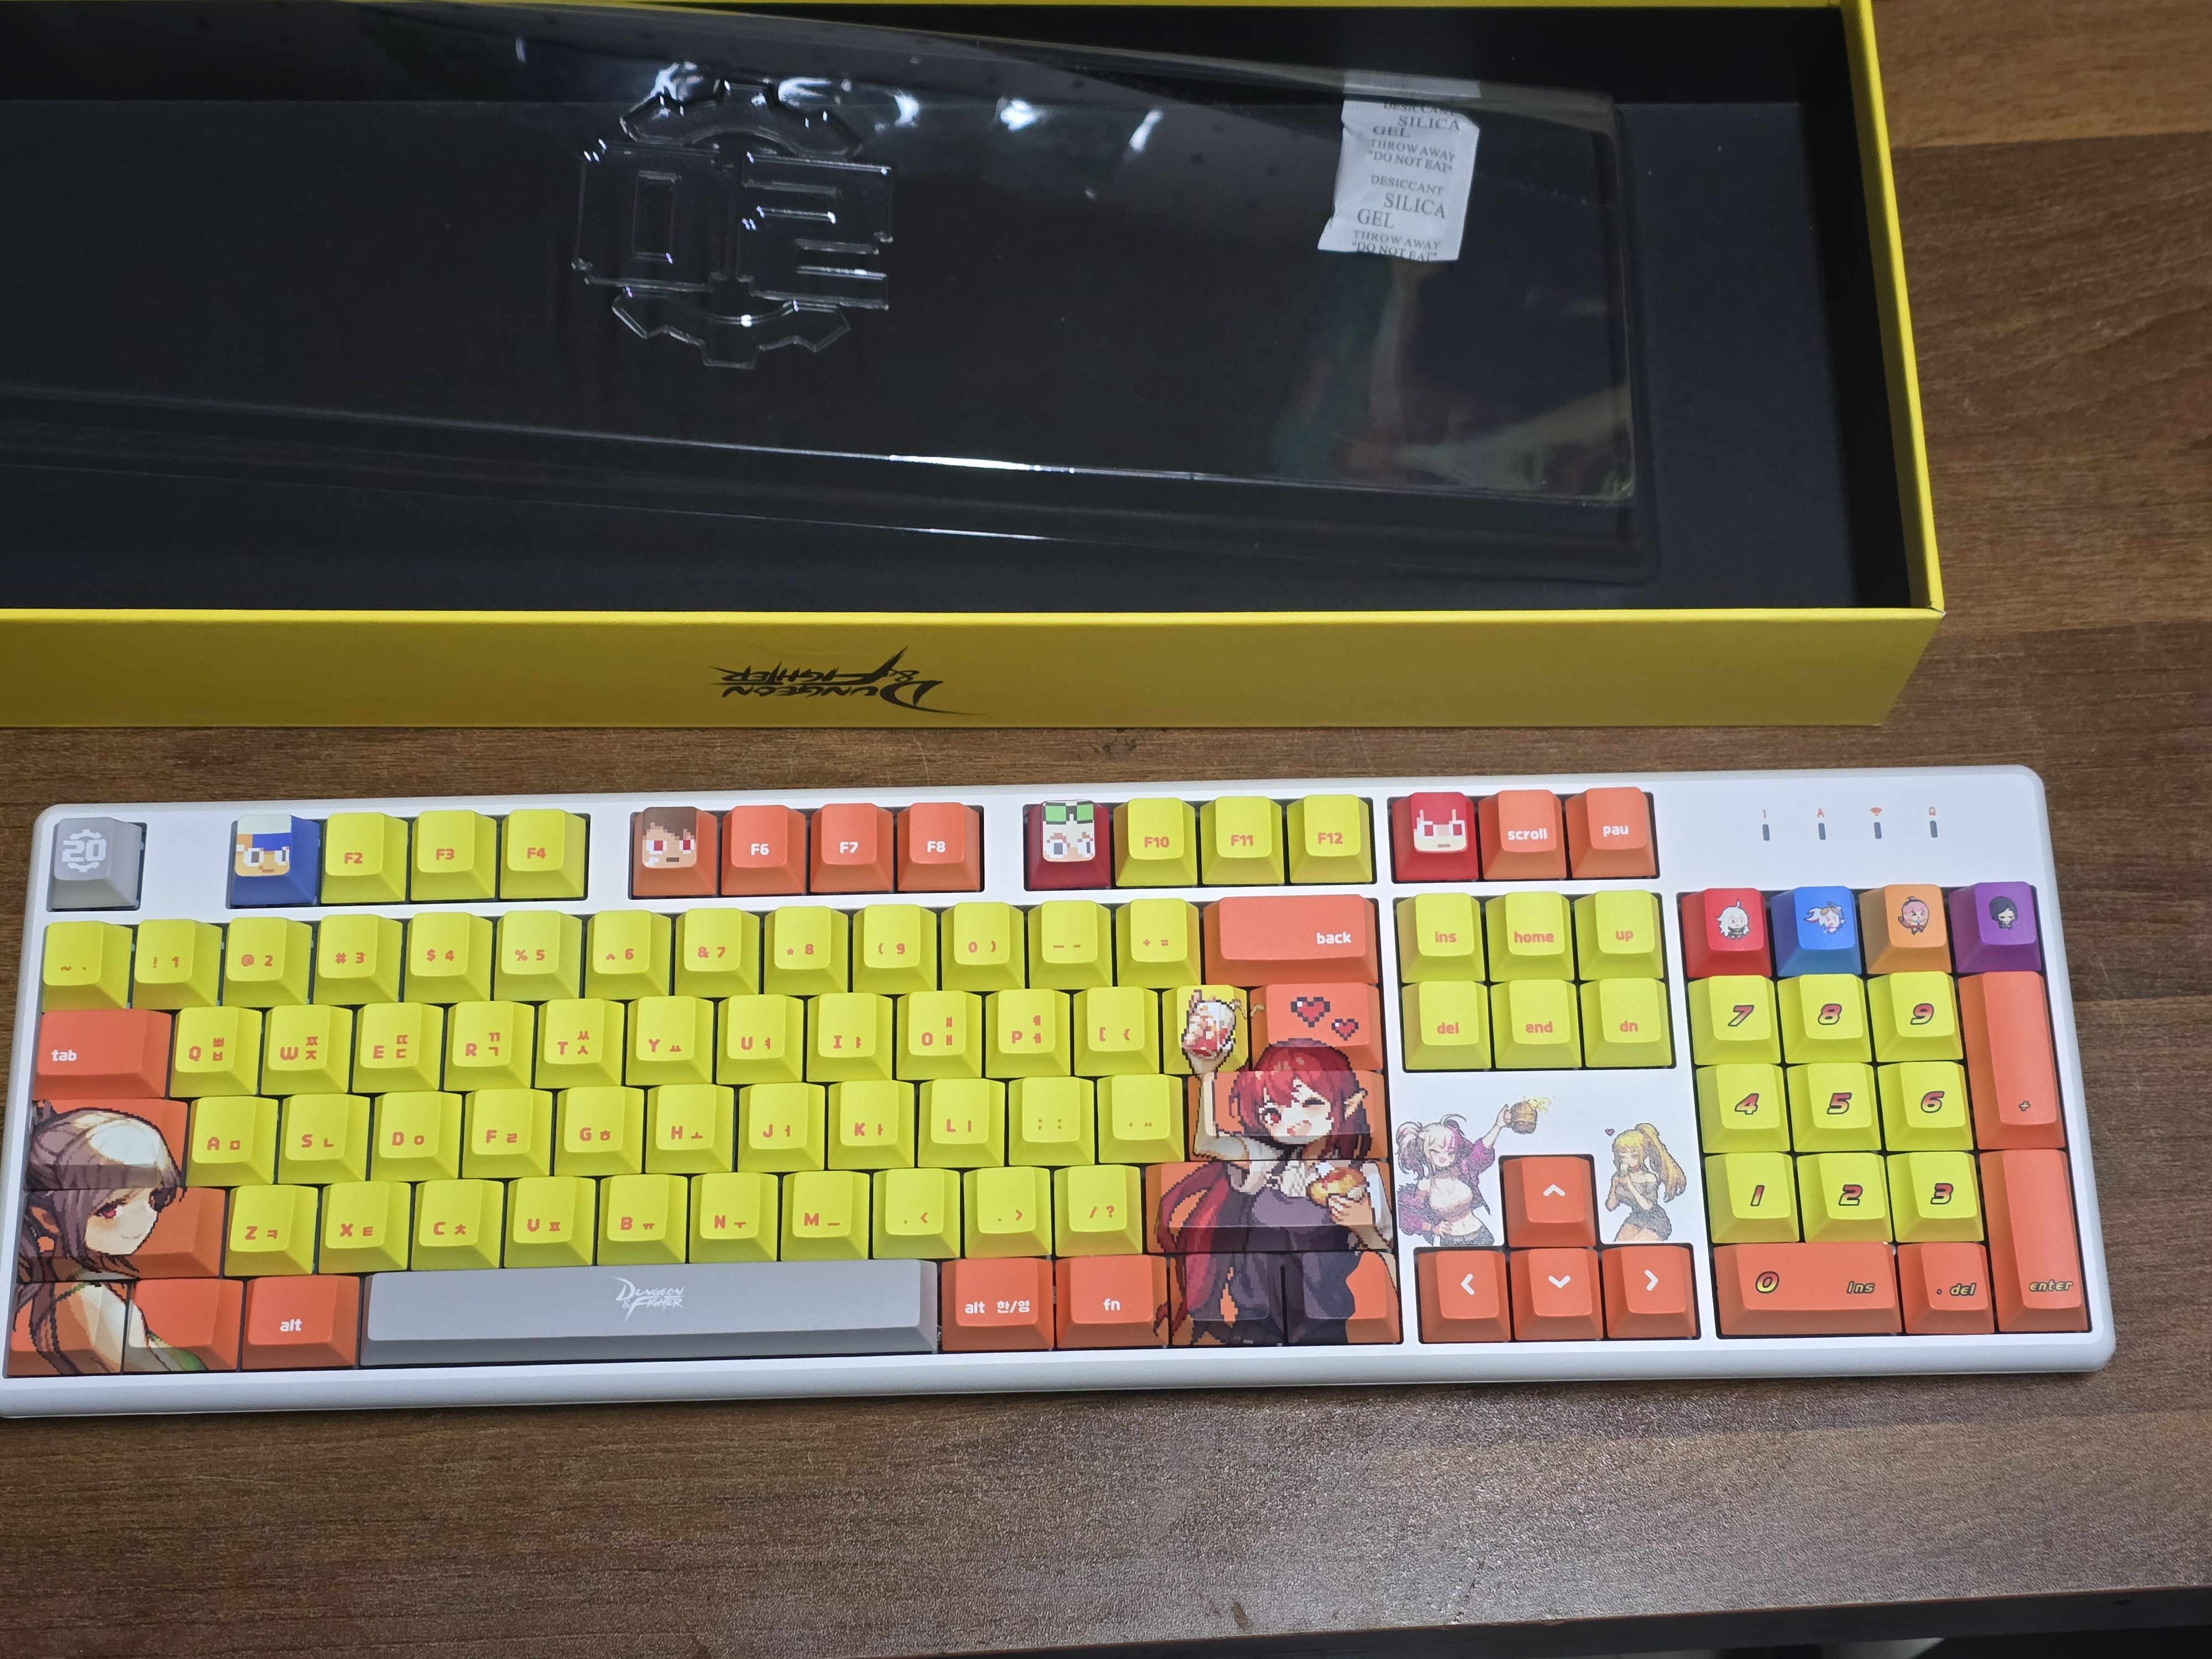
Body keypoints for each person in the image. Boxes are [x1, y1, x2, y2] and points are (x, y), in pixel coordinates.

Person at [1165, 1003, 1391, 1344]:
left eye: (1311, 1104)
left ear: (1349, 1105)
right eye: (1274, 1111)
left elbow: (1395, 1263)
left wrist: (1365, 1230)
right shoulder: (1272, 1165)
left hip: (1324, 1330)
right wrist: (1208, 1075)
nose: (1293, 1122)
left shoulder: (1364, 1177)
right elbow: (1207, 1144)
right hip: (1254, 1328)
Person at [15, 1107, 204, 1374]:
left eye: (154, 1199)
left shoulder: (79, 1288)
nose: (144, 1219)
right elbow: (162, 1381)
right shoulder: (88, 1305)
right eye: (112, 1209)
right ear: (48, 1218)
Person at [1394, 1109, 1515, 1247]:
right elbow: (1407, 1218)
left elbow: (1481, 1153)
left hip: (1481, 1234)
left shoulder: (1462, 1170)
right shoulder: (1425, 1185)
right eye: (1437, 1152)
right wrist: (1432, 1228)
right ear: (1425, 1151)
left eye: (1450, 1152)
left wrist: (1498, 1126)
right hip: (1451, 1241)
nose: (1445, 1157)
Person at [1604, 1123, 1688, 1243]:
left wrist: (1630, 1186)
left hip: (1655, 1221)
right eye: (1623, 1157)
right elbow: (1611, 1207)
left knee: (1634, 1248)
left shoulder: (1649, 1178)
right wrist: (1614, 1186)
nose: (1628, 1161)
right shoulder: (1619, 1177)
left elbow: (1648, 1207)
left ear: (1642, 1155)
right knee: (1618, 1245)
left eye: (1634, 1156)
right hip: (1636, 1218)